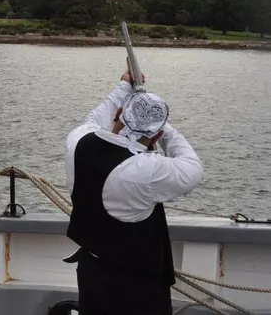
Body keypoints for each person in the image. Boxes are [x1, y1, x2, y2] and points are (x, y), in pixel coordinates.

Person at [64, 68, 203, 315]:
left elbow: (95, 119)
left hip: (91, 272)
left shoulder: (78, 141)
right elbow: (193, 168)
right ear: (157, 134)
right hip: (137, 284)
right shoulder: (145, 169)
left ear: (120, 113)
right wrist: (164, 125)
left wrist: (124, 87)